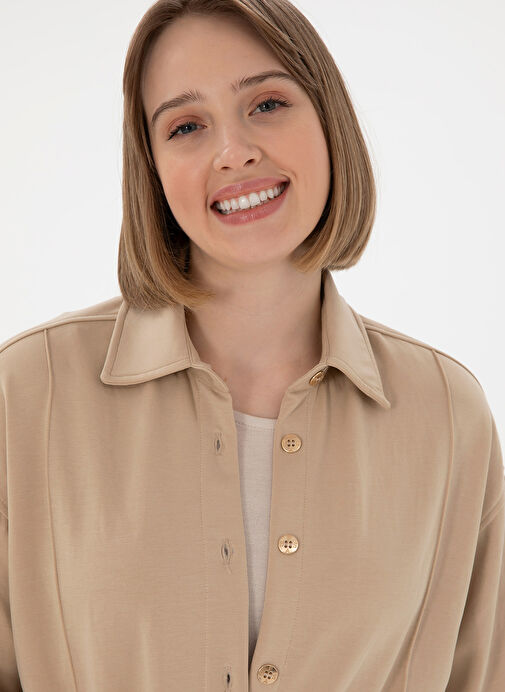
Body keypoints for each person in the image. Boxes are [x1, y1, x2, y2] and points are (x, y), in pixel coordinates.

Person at [0, 0, 503, 689]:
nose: (233, 151)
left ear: (328, 121)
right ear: (151, 167)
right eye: (185, 125)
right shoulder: (29, 394)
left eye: (266, 104)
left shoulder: (446, 415)